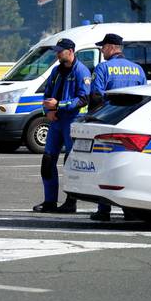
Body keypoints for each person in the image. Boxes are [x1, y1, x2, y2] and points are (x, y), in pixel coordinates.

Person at [89, 33, 147, 221]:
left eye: (103, 47)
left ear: (112, 47)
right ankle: (129, 210)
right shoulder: (138, 69)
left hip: (110, 123)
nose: (102, 51)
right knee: (128, 165)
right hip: (133, 125)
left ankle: (103, 209)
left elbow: (96, 98)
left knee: (105, 165)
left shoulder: (103, 68)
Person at [33, 38, 90, 213]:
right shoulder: (56, 71)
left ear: (71, 51)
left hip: (72, 121)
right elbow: (47, 93)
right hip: (55, 122)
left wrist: (59, 105)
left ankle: (71, 202)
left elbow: (83, 98)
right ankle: (49, 201)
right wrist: (47, 111)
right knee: (48, 160)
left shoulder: (81, 71)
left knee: (70, 162)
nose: (57, 54)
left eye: (61, 51)